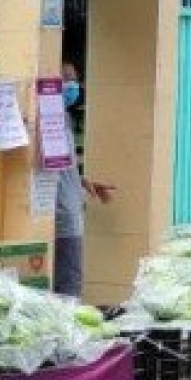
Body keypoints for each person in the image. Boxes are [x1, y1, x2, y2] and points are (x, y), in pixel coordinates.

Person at [54, 59, 114, 299]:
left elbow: (63, 166)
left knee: (69, 279)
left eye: (75, 79)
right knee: (69, 283)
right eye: (67, 79)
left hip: (70, 209)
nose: (73, 85)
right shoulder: (47, 121)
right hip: (63, 217)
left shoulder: (63, 119)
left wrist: (82, 182)